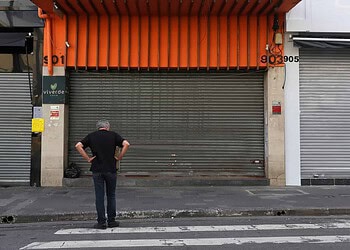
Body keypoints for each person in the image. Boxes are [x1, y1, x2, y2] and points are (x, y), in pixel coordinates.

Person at [75, 120, 130, 229]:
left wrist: (88, 158)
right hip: (111, 169)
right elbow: (126, 144)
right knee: (111, 195)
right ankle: (111, 221)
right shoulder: (113, 135)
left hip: (97, 169)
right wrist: (119, 157)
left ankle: (101, 222)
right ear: (107, 127)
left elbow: (78, 146)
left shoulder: (92, 136)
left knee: (99, 196)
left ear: (98, 127)